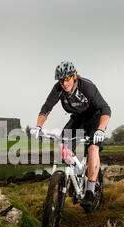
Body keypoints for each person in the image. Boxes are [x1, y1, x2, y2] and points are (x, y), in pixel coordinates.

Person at [30, 61, 111, 209]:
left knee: (93, 148)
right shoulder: (58, 89)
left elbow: (105, 108)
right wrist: (38, 126)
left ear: (74, 76)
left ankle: (90, 191)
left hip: (95, 118)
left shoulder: (86, 86)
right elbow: (46, 107)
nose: (64, 83)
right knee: (62, 144)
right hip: (77, 119)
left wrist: (100, 129)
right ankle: (77, 175)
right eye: (61, 80)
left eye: (67, 79)